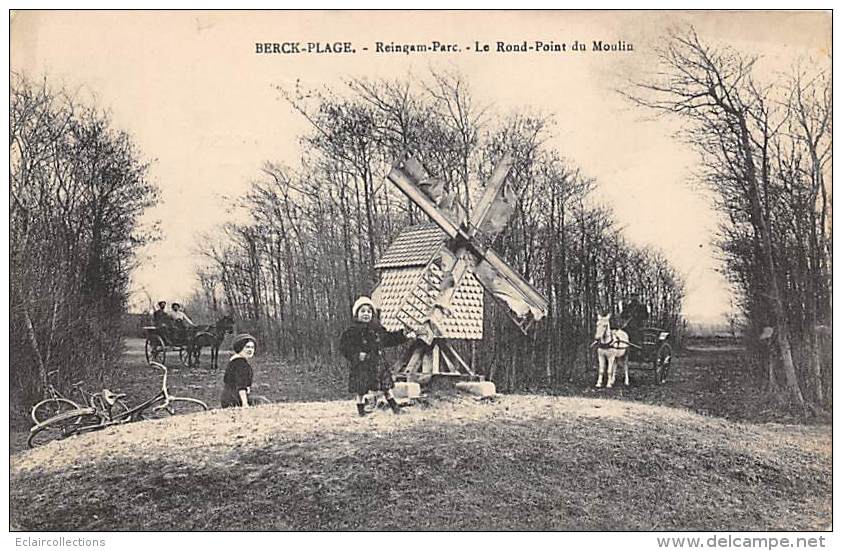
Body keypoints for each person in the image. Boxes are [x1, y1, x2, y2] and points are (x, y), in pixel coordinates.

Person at [339, 296, 412, 417]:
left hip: (378, 363)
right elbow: (345, 347)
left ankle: (395, 408)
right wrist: (356, 355)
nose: (366, 314)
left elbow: (389, 339)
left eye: (369, 311)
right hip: (362, 364)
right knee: (361, 388)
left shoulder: (377, 329)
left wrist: (402, 334)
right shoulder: (352, 332)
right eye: (362, 311)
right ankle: (361, 411)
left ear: (372, 314)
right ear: (356, 314)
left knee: (386, 387)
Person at [221, 334, 257, 408]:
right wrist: (245, 404)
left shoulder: (234, 362)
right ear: (240, 348)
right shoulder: (241, 364)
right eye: (247, 347)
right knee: (262, 402)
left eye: (252, 348)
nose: (250, 350)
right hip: (234, 400)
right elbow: (241, 386)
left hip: (227, 398)